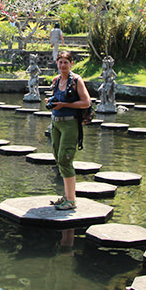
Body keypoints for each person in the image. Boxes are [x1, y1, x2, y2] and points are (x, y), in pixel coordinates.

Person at [47, 51, 91, 210]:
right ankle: (66, 196)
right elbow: (56, 99)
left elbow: (86, 103)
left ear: (71, 63)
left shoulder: (77, 80)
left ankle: (71, 200)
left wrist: (65, 105)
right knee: (58, 158)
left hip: (70, 124)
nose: (63, 65)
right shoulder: (56, 80)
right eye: (60, 62)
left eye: (66, 62)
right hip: (56, 123)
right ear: (56, 64)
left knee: (65, 158)